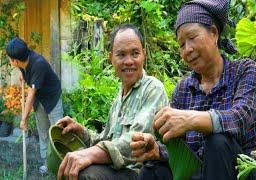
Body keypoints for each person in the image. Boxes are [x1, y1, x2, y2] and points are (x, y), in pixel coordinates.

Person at [131, 0, 256, 179]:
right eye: (181, 45)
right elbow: (184, 153)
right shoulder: (183, 89)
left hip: (240, 171)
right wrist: (157, 150)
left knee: (217, 141)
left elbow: (240, 118)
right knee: (152, 171)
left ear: (214, 33)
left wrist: (191, 120)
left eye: (192, 38)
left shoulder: (245, 70)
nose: (187, 50)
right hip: (199, 173)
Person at [56, 24, 170, 180]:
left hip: (140, 173)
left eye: (135, 53)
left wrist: (89, 154)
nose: (129, 61)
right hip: (118, 170)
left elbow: (134, 142)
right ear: (111, 58)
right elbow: (107, 141)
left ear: (144, 54)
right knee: (67, 165)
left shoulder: (153, 89)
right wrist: (82, 132)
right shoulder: (119, 98)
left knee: (84, 175)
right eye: (121, 55)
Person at [6, 37, 64, 175]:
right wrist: (23, 74)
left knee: (57, 133)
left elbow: (30, 95)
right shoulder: (23, 60)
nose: (10, 61)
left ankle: (62, 166)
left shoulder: (39, 64)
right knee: (43, 132)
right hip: (40, 100)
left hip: (52, 99)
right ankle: (47, 163)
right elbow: (27, 72)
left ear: (15, 61)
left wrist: (24, 119)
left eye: (10, 59)